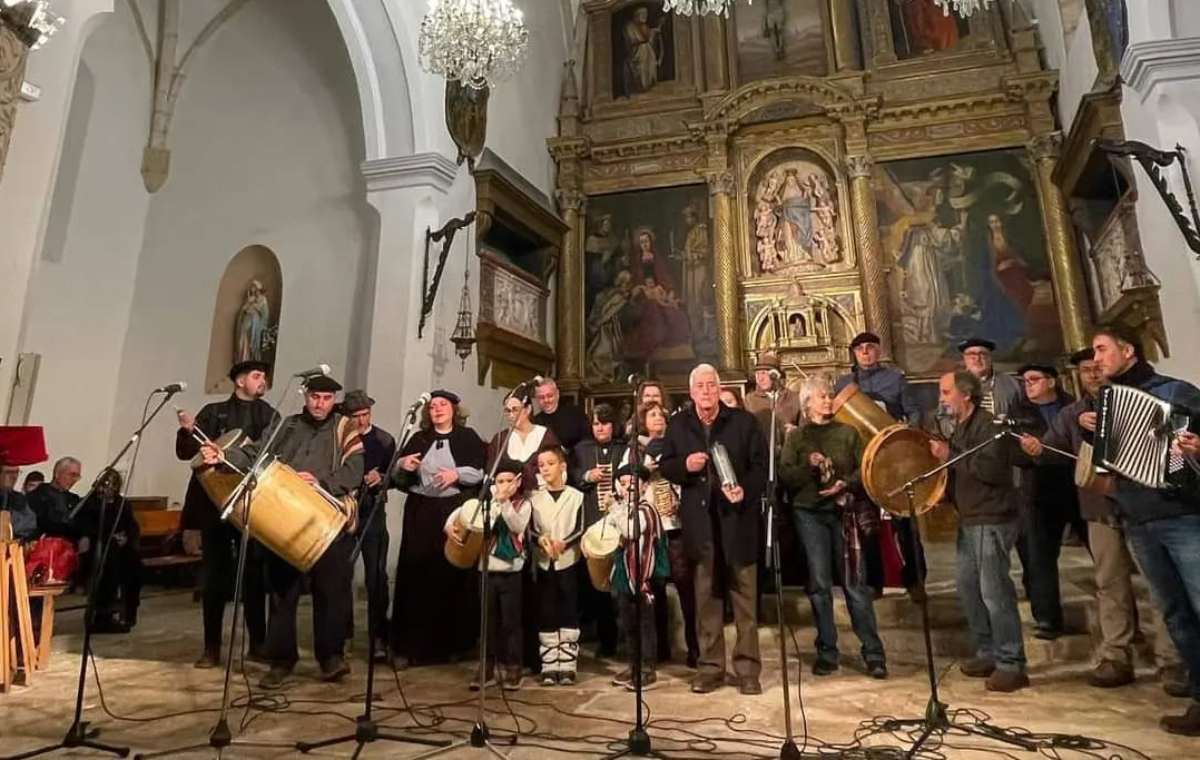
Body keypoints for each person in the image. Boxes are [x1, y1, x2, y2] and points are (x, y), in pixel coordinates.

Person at [1018, 348, 1184, 692]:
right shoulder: (1072, 413)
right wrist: (1036, 448)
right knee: (1110, 583)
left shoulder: (1139, 399)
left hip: (1142, 508)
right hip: (1099, 509)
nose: (1092, 375)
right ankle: (1116, 654)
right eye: (1085, 371)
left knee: (1159, 585)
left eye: (1096, 368)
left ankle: (1173, 659)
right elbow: (1048, 452)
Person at [204, 374, 363, 688]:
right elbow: (255, 453)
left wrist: (321, 482)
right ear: (306, 396)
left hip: (324, 517)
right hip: (282, 516)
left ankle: (331, 658)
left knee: (330, 591)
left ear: (334, 400)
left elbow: (354, 468)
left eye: (327, 398)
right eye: (315, 397)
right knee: (281, 593)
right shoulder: (285, 425)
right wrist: (225, 456)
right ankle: (281, 660)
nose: (320, 404)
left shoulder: (346, 428)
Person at [1084, 325, 1200, 734]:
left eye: (1101, 350)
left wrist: (1196, 447)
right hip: (1137, 519)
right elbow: (1104, 472)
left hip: (1182, 514)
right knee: (1175, 613)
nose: (1096, 360)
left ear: (1127, 350)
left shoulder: (1175, 392)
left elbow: (1188, 452)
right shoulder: (1108, 404)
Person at [660, 363, 767, 695]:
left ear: (719, 389)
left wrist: (744, 490)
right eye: (700, 386)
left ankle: (748, 670)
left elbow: (761, 467)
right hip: (701, 527)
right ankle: (710, 668)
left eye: (711, 385)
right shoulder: (679, 425)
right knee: (706, 600)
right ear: (691, 392)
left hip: (738, 525)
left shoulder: (743, 422)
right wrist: (685, 466)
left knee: (745, 601)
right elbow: (666, 466)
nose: (706, 391)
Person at [780, 374, 887, 679]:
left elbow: (863, 470)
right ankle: (827, 651)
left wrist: (845, 483)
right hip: (809, 514)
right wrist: (809, 466)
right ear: (807, 402)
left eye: (829, 395)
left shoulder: (848, 433)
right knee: (820, 585)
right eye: (822, 396)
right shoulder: (797, 438)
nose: (828, 400)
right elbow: (787, 477)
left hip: (844, 513)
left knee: (855, 584)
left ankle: (874, 653)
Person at [930, 371, 1029, 692]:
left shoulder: (991, 427)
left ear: (966, 395)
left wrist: (951, 456)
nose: (942, 398)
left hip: (991, 517)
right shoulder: (960, 428)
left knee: (995, 593)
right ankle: (987, 651)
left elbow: (990, 470)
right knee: (969, 587)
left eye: (946, 392)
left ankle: (1011, 663)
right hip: (970, 517)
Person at [176, 359, 277, 668]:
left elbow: (275, 453)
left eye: (264, 376)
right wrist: (189, 433)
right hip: (214, 504)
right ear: (240, 381)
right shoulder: (213, 412)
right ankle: (211, 648)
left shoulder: (269, 415)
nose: (263, 381)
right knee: (215, 578)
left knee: (254, 577)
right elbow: (185, 453)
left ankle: (258, 644)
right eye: (257, 376)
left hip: (251, 503)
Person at [389, 389, 486, 667]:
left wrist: (456, 473)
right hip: (422, 512)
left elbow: (479, 470)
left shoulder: (467, 437)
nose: (437, 410)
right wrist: (403, 464)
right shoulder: (419, 438)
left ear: (455, 409)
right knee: (417, 573)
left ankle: (455, 644)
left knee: (451, 572)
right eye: (432, 407)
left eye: (443, 405)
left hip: (452, 508)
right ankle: (411, 647)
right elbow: (397, 476)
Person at [835, 331, 926, 597]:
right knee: (868, 525)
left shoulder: (895, 379)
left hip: (892, 459)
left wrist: (908, 427)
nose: (865, 352)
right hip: (861, 460)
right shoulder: (844, 383)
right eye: (860, 348)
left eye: (871, 347)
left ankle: (915, 581)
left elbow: (914, 412)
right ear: (853, 353)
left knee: (904, 522)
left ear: (878, 351)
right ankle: (873, 583)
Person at [444, 458, 530, 691]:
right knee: (487, 623)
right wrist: (449, 526)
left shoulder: (522, 505)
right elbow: (461, 514)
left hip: (510, 571)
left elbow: (516, 525)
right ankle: (487, 667)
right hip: (486, 569)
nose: (503, 485)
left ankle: (514, 667)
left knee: (511, 623)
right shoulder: (485, 503)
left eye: (508, 481)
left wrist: (504, 504)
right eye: (499, 481)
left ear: (517, 483)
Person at [1015, 362, 1085, 641]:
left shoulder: (1076, 408)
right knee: (1040, 557)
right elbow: (1012, 454)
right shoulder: (1018, 413)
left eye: (1033, 379)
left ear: (1052, 381)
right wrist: (1031, 453)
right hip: (1039, 491)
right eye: (1024, 381)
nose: (1028, 385)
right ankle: (1047, 618)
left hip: (1077, 487)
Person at [630, 401, 699, 668]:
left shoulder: (676, 444)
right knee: (653, 589)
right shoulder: (635, 452)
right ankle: (657, 650)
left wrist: (679, 502)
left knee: (685, 587)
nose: (658, 418)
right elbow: (630, 482)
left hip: (675, 526)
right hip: (650, 528)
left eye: (662, 414)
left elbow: (685, 476)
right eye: (652, 414)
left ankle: (695, 648)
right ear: (642, 421)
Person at [340, 390, 396, 660]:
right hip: (344, 511)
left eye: (365, 415)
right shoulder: (339, 437)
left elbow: (396, 475)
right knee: (341, 573)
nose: (361, 421)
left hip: (373, 510)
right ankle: (343, 633)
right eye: (355, 416)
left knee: (376, 576)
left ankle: (378, 637)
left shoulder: (384, 440)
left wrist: (382, 475)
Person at [605, 463, 669, 690]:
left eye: (632, 483)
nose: (627, 488)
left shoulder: (646, 509)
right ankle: (634, 665)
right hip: (625, 575)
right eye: (622, 484)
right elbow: (613, 530)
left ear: (643, 486)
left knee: (644, 624)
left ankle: (646, 669)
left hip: (643, 576)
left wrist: (615, 509)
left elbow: (631, 530)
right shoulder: (625, 509)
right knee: (628, 625)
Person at [570, 403, 625, 657]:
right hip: (593, 521)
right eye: (596, 423)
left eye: (605, 423)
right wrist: (586, 477)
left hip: (619, 521)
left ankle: (625, 638)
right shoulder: (582, 450)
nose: (600, 428)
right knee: (597, 585)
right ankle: (606, 640)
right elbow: (572, 478)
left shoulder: (623, 448)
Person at [530, 445, 586, 686]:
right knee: (547, 610)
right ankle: (549, 663)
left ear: (562, 466)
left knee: (568, 608)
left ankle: (568, 663)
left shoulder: (576, 496)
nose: (545, 469)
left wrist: (565, 542)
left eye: (550, 463)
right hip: (544, 562)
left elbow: (581, 526)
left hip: (567, 561)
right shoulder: (534, 498)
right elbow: (531, 528)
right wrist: (540, 540)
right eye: (541, 465)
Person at [73, 467, 142, 633]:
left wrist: (126, 537)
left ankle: (128, 612)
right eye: (105, 485)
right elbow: (84, 526)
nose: (108, 489)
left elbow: (132, 525)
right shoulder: (90, 503)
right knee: (108, 565)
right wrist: (109, 537)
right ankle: (102, 615)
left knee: (135, 565)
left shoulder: (122, 503)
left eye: (112, 486)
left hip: (120, 546)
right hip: (99, 547)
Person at [490, 391, 559, 488]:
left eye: (515, 410)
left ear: (528, 409)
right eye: (507, 411)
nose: (511, 415)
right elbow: (491, 472)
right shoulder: (500, 438)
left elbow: (556, 469)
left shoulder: (546, 435)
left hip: (541, 493)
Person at [743, 352, 800, 443]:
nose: (760, 378)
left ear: (776, 375)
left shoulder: (793, 398)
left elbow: (806, 428)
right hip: (762, 449)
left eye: (764, 373)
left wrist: (796, 431)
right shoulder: (750, 400)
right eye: (757, 374)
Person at [958, 338, 1022, 415]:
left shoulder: (1012, 384)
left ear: (990, 358)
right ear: (964, 358)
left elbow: (1025, 414)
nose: (977, 359)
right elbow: (944, 417)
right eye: (972, 354)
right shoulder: (953, 383)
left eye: (982, 354)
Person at [27, 456, 83, 540]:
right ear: (57, 473)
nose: (74, 480)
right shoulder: (37, 496)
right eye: (72, 475)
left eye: (77, 476)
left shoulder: (74, 499)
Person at [533, 378, 591, 453]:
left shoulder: (576, 414)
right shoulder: (534, 421)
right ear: (537, 399)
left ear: (557, 394)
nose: (546, 400)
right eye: (541, 397)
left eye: (550, 396)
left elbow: (587, 441)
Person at [1, 465, 39, 541]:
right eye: (9, 472)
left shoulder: (19, 498)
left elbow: (30, 524)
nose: (14, 477)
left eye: (17, 472)